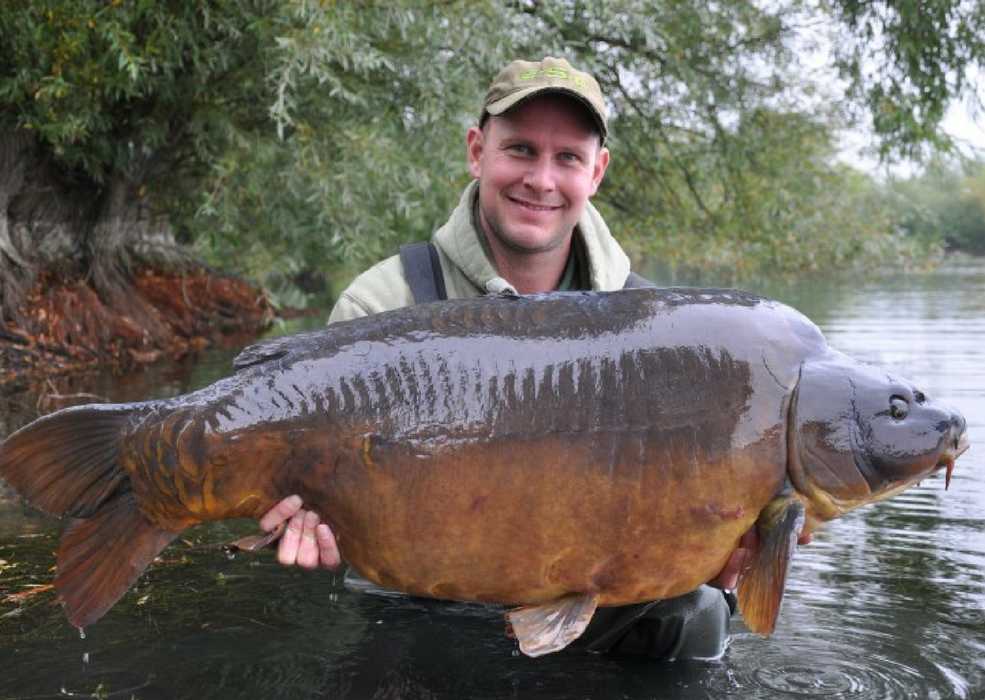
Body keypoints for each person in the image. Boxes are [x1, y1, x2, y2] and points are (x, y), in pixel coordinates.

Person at [258, 57, 799, 658]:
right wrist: (304, 512)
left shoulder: (658, 327)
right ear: (476, 151)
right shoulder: (386, 301)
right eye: (519, 149)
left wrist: (717, 556)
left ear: (597, 171)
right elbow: (300, 463)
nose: (540, 180)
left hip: (592, 593)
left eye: (567, 157)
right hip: (419, 590)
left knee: (695, 615)